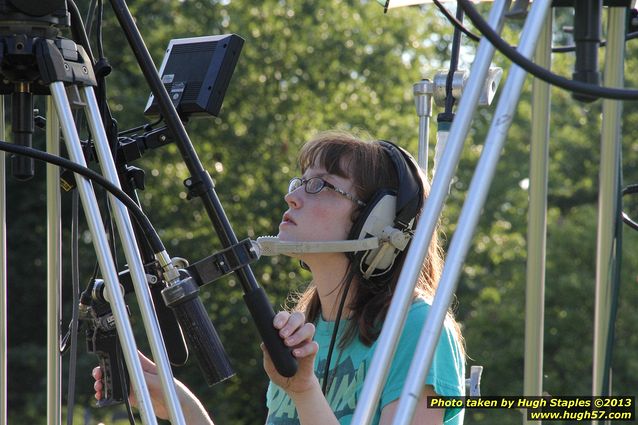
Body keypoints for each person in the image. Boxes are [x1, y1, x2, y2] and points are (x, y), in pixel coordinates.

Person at [93, 130, 466, 424]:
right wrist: (177, 403)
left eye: (321, 184)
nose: (293, 197)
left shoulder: (420, 329)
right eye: (300, 182)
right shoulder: (305, 328)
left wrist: (304, 391)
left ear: (376, 221)